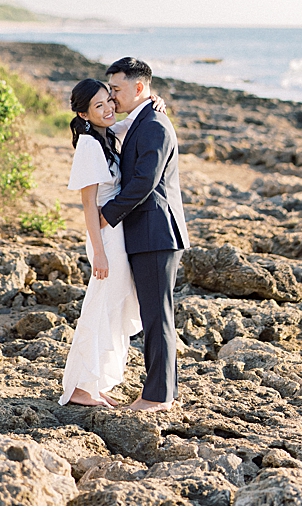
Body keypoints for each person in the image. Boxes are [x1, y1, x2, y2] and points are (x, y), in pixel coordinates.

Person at [99, 56, 190, 412]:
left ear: (139, 88)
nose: (112, 97)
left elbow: (144, 183)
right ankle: (158, 391)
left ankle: (157, 396)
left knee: (158, 316)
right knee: (155, 314)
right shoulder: (140, 119)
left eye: (117, 89)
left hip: (156, 233)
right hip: (147, 233)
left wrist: (106, 215)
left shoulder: (154, 124)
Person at [60, 78, 142, 407]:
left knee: (113, 309)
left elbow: (135, 119)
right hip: (105, 239)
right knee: (98, 308)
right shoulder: (89, 146)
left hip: (117, 236)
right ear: (83, 114)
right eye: (98, 106)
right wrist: (98, 253)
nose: (108, 108)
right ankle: (79, 386)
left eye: (109, 100)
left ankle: (96, 381)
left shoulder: (106, 136)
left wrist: (156, 101)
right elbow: (88, 205)